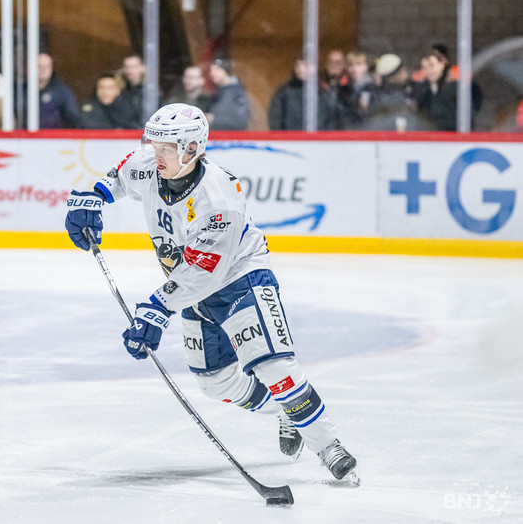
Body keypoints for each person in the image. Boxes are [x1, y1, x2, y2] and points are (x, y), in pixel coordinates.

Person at [65, 103, 359, 484]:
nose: (156, 155)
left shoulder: (219, 198)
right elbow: (120, 176)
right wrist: (93, 198)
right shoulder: (150, 164)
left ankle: (329, 446)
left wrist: (158, 307)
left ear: (192, 149)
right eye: (154, 145)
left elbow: (205, 269)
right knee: (214, 381)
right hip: (192, 289)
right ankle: (285, 412)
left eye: (166, 148)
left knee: (275, 368)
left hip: (240, 280)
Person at [268, 57, 337, 131]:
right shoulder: (284, 92)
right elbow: (275, 118)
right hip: (290, 137)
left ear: (313, 68)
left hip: (318, 137)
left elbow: (331, 119)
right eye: (298, 65)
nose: (301, 69)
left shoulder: (322, 92)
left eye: (305, 65)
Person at [365, 53, 423, 132]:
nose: (405, 75)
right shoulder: (378, 93)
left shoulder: (414, 87)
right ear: (391, 78)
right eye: (400, 73)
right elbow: (374, 120)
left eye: (403, 70)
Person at [35, 52, 79, 128]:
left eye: (47, 67)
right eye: (39, 66)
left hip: (54, 134)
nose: (43, 70)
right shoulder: (20, 91)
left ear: (51, 69)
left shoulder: (61, 91)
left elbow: (73, 116)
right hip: (25, 135)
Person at [206, 58, 251, 130]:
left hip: (232, 136)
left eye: (217, 70)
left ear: (225, 71)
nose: (212, 73)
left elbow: (241, 121)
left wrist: (214, 120)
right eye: (211, 71)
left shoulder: (236, 91)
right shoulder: (219, 92)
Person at [336, 51, 375, 129]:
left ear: (365, 66)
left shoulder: (374, 88)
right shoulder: (342, 89)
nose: (354, 69)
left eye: (358, 64)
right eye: (351, 65)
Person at [118, 54, 146, 128]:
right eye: (126, 67)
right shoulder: (120, 89)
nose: (129, 70)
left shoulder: (150, 91)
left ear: (142, 68)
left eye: (134, 66)